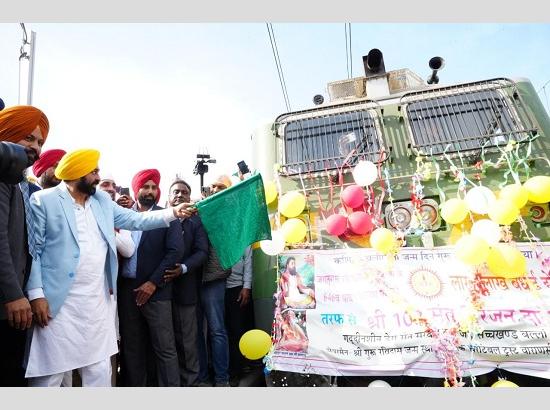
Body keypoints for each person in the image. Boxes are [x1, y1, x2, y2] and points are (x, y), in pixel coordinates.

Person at [24, 149, 194, 387]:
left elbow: (138, 220)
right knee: (51, 373)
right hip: (58, 302)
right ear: (76, 172)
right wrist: (36, 294)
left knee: (99, 368)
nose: (97, 177)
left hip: (97, 301)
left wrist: (173, 212)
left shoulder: (102, 201)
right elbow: (35, 251)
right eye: (93, 172)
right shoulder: (44, 200)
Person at [118, 169, 183, 387]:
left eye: (154, 187)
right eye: (145, 186)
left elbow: (174, 252)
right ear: (136, 189)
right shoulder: (123, 214)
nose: (150, 191)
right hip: (127, 291)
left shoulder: (168, 216)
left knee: (165, 348)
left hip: (157, 292)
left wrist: (153, 283)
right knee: (132, 348)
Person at [0, 105, 49, 386]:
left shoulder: (18, 181)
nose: (35, 147)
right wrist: (13, 295)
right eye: (28, 138)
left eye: (40, 141)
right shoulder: (3, 177)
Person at [164, 179, 208, 387]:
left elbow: (202, 252)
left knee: (187, 342)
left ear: (190, 198)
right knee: (165, 343)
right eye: (175, 192)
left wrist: (182, 268)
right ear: (169, 196)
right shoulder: (158, 218)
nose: (179, 195)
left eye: (184, 192)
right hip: (159, 291)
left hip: (186, 290)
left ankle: (190, 382)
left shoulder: (196, 223)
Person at [196, 176, 233, 387]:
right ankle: (201, 376)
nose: (214, 189)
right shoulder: (199, 207)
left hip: (215, 278)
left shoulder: (228, 214)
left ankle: (222, 378)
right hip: (193, 278)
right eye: (212, 186)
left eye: (220, 187)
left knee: (217, 329)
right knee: (197, 332)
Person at [225, 245, 252, 387]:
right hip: (216, 286)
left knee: (236, 332)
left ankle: (236, 371)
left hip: (237, 288)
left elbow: (248, 262)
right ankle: (227, 369)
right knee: (222, 331)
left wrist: (246, 287)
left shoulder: (243, 237)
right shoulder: (218, 232)